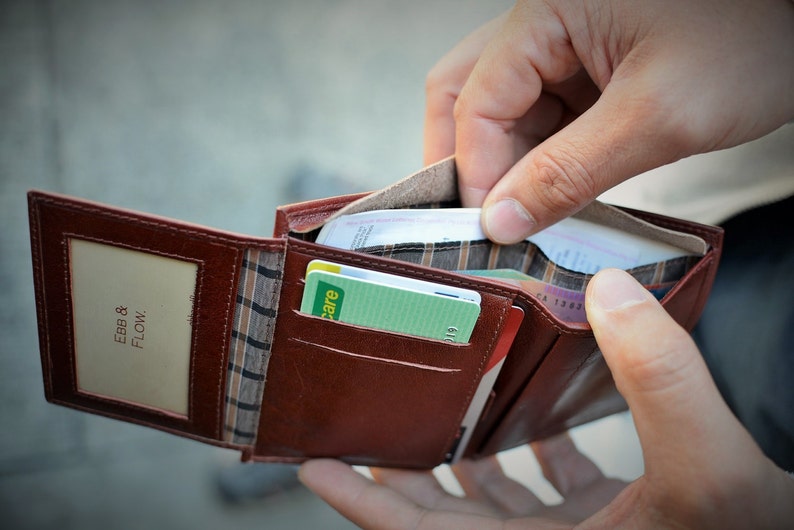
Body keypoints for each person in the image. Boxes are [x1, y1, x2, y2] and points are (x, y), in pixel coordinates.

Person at [299, 0, 794, 527]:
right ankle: (361, 267)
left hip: (766, 416)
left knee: (640, 361)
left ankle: (331, 419)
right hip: (763, 244)